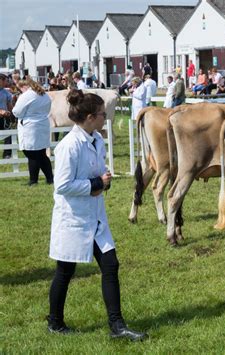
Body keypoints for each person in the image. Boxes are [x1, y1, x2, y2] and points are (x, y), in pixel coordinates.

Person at [47, 89, 147, 341]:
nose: (106, 118)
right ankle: (55, 322)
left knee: (111, 265)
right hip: (73, 218)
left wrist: (105, 181)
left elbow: (99, 173)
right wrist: (95, 184)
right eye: (103, 114)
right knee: (65, 271)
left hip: (95, 216)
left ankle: (117, 325)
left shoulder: (97, 139)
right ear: (91, 117)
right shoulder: (68, 146)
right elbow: (62, 185)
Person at [12, 78, 54, 186]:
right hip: (43, 124)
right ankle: (50, 178)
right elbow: (48, 108)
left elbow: (16, 111)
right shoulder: (44, 94)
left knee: (31, 153)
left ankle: (33, 181)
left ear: (24, 86)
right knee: (41, 153)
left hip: (30, 127)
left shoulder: (26, 95)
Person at [0, 73, 14, 158]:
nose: (6, 82)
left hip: (5, 118)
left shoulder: (6, 93)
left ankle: (7, 154)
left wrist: (12, 112)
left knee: (8, 135)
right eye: (4, 80)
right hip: (2, 114)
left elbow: (10, 106)